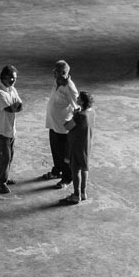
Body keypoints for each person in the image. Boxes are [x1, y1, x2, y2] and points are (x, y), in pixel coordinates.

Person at [42, 59, 78, 188]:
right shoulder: (57, 81)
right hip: (53, 124)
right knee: (55, 151)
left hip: (63, 128)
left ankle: (67, 178)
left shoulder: (70, 88)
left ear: (64, 73)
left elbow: (78, 108)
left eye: (56, 72)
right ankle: (57, 171)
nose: (53, 73)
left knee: (65, 155)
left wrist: (72, 125)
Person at [0, 65, 24, 194]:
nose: (13, 80)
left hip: (10, 129)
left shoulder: (12, 90)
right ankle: (1, 183)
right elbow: (9, 109)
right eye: (11, 78)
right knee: (5, 156)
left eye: (14, 78)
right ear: (4, 77)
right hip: (2, 129)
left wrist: (14, 106)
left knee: (10, 156)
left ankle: (4, 177)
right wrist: (14, 106)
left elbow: (20, 106)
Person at [62, 91, 95, 205]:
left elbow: (67, 126)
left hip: (76, 145)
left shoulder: (80, 116)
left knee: (75, 169)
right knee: (84, 168)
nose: (76, 99)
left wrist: (73, 114)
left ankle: (76, 195)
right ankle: (83, 193)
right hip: (86, 145)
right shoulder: (91, 113)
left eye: (79, 98)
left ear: (82, 101)